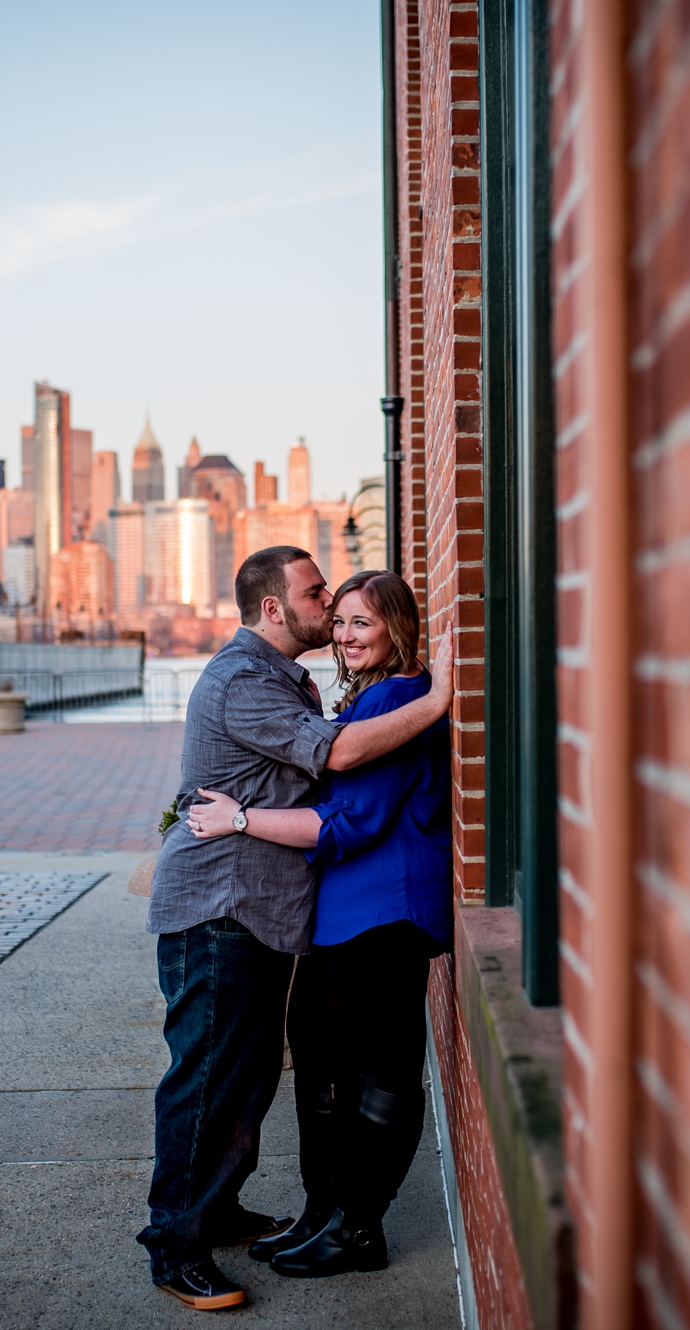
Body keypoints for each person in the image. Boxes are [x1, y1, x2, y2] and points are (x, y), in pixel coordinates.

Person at [140, 546, 454, 1311]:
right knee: (205, 1075)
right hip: (222, 906)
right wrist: (440, 696)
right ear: (275, 609)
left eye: (352, 613)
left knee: (244, 1075)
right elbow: (339, 752)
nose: (331, 614)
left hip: (265, 913)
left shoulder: (291, 679)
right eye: (320, 598)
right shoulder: (242, 678)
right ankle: (175, 1243)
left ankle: (215, 1209)